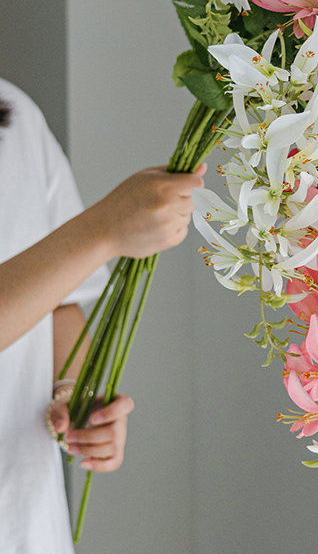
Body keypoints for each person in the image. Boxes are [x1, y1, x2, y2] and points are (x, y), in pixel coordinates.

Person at [0, 78, 204, 552]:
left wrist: (75, 394)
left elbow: (59, 303)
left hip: (26, 512)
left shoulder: (17, 116)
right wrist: (101, 230)